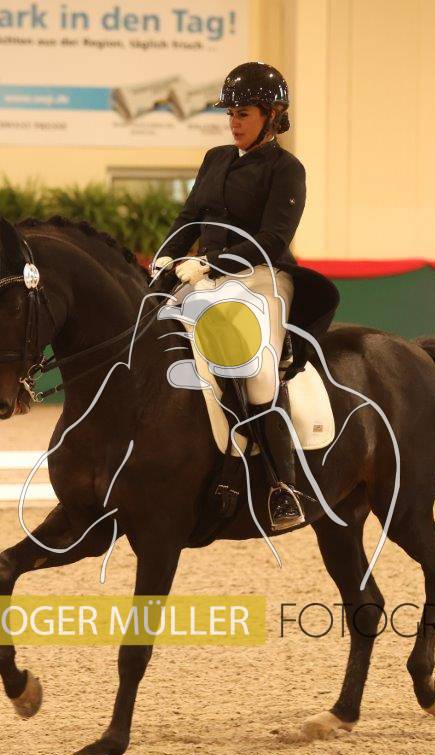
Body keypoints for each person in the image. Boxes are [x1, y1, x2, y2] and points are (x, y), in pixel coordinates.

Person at [151, 60, 310, 532]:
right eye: (231, 114)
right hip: (207, 278)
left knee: (256, 371)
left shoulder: (287, 170)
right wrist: (166, 255)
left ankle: (284, 487)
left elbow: (273, 239)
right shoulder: (215, 158)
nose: (234, 123)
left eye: (243, 114)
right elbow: (190, 218)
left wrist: (210, 264)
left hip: (263, 278)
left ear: (271, 115)